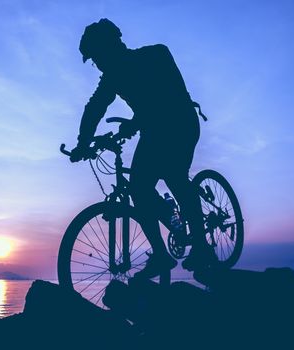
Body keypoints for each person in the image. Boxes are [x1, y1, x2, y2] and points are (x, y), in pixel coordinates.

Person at [70, 18, 217, 278]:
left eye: (98, 56)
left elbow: (168, 96)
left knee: (173, 177)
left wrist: (135, 123)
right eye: (94, 60)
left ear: (113, 44)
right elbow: (94, 107)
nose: (98, 64)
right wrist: (83, 143)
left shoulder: (156, 54)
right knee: (139, 188)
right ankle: (161, 255)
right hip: (153, 130)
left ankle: (202, 247)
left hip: (180, 121)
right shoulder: (112, 78)